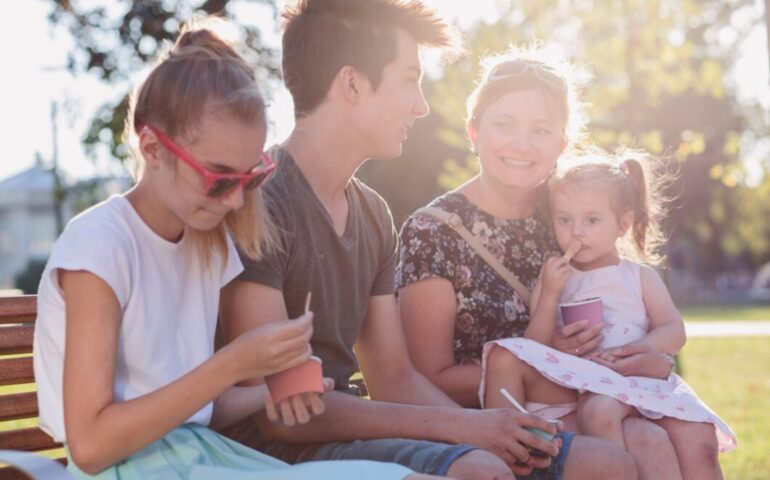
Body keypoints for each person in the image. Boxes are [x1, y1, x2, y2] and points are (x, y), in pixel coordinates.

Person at [219, 1, 638, 479]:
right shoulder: (260, 204)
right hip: (274, 450)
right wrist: (466, 429)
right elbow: (280, 411)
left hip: (350, 431)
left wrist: (480, 425)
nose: (421, 105)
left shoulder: (372, 213)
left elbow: (394, 379)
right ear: (352, 84)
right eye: (409, 79)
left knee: (605, 464)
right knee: (482, 469)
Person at [32, 20, 430, 480]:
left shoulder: (204, 243)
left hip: (202, 455)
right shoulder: (100, 246)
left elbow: (199, 410)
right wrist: (232, 364)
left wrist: (273, 389)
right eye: (220, 178)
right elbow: (91, 446)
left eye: (251, 178)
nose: (237, 201)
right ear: (151, 148)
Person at [397, 46, 690, 479]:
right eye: (503, 124)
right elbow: (428, 378)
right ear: (473, 132)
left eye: (541, 129)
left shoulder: (572, 214)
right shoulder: (433, 232)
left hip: (599, 407)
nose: (522, 144)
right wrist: (550, 359)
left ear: (562, 143)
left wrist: (651, 360)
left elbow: (631, 309)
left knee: (660, 440)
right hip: (492, 432)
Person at [481, 150, 736, 479]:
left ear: (623, 224)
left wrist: (645, 349)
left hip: (642, 376)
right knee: (600, 413)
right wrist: (550, 295)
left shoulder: (638, 275)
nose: (576, 232)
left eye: (591, 219)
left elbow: (674, 328)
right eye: (564, 219)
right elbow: (535, 347)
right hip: (595, 384)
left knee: (699, 437)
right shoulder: (554, 275)